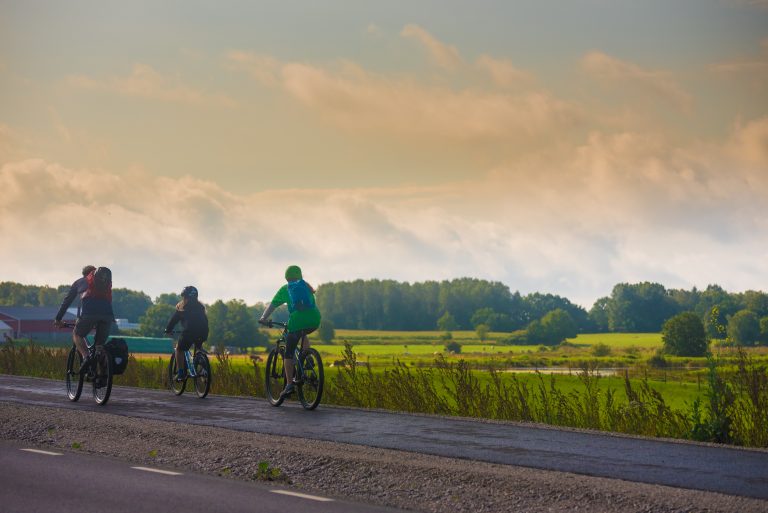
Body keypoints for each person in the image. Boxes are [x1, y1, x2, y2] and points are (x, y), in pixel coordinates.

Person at [260, 265, 321, 398]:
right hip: (315, 319)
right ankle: (308, 357)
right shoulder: (307, 288)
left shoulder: (285, 289)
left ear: (287, 277)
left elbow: (272, 305)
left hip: (297, 320)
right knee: (302, 333)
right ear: (300, 275)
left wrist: (263, 318)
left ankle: (289, 385)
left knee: (288, 353)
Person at [54, 265, 114, 374]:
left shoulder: (80, 282)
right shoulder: (106, 285)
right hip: (107, 316)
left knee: (77, 334)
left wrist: (58, 319)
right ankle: (103, 377)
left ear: (85, 274)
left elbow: (66, 302)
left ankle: (86, 357)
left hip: (89, 315)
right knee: (99, 347)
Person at [164, 286, 209, 382]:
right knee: (198, 347)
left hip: (189, 333)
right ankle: (203, 366)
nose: (183, 299)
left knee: (179, 349)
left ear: (186, 297)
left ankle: (181, 373)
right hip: (204, 332)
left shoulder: (182, 308)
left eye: (183, 297)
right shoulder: (201, 307)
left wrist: (168, 330)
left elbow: (173, 321)